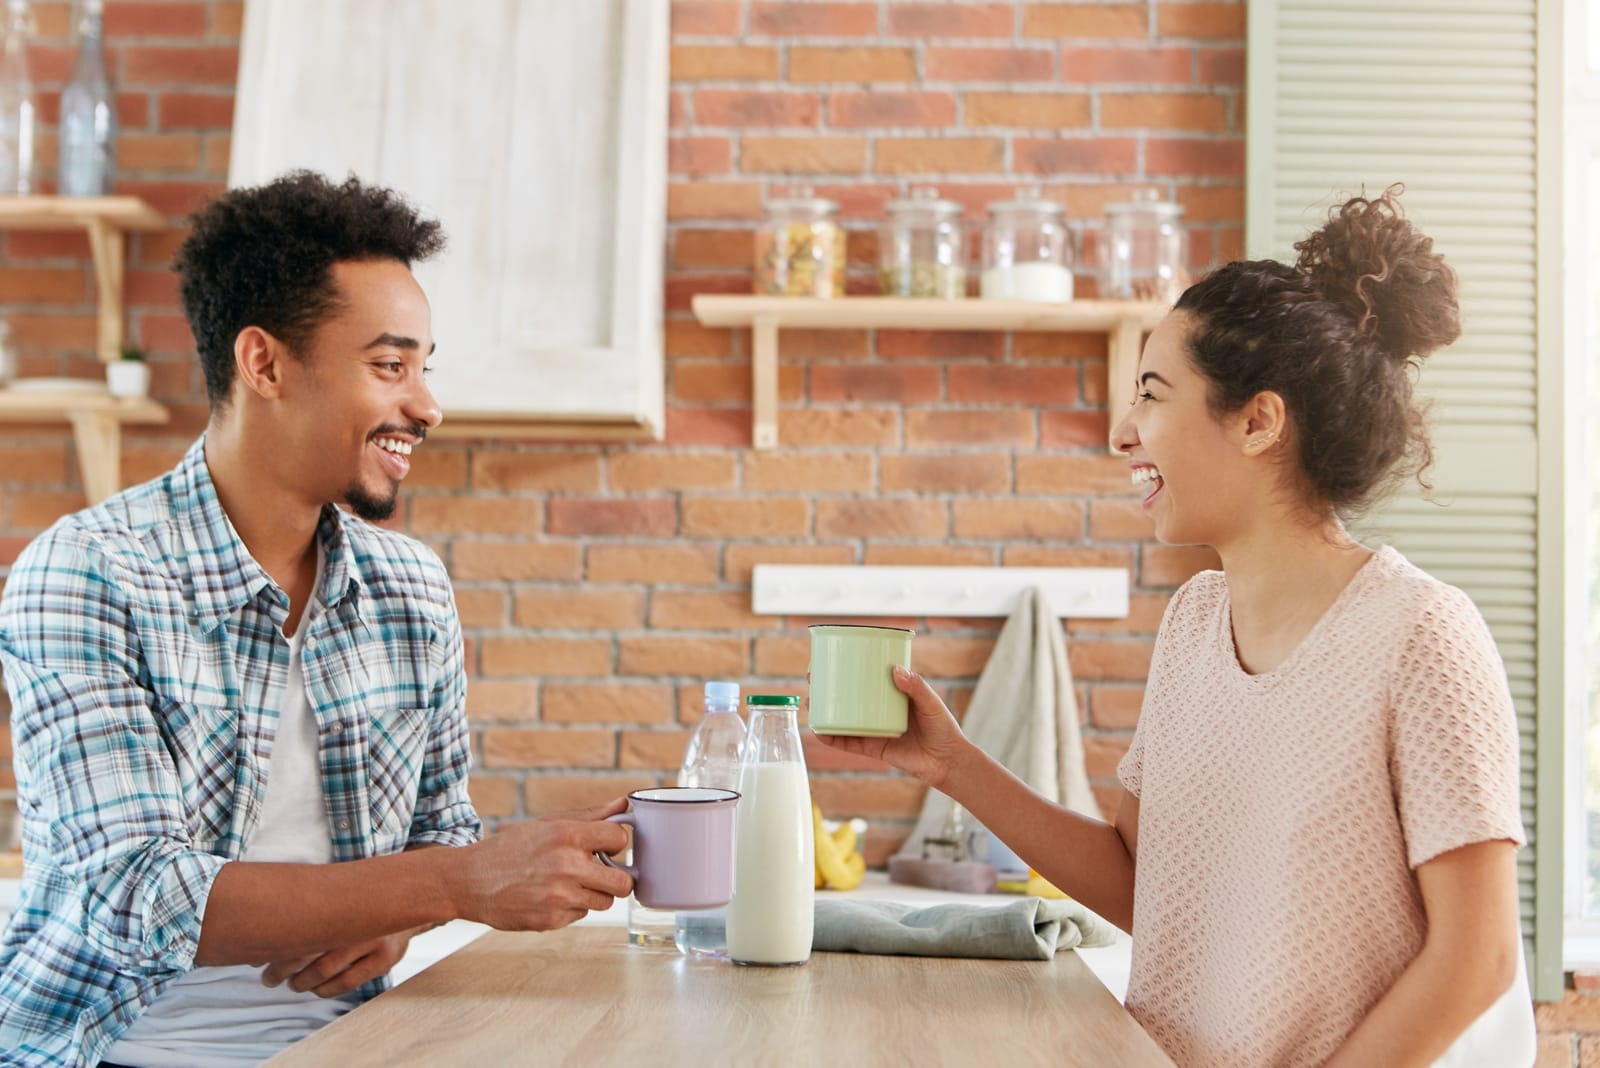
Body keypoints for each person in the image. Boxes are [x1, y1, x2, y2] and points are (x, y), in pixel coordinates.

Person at [818, 189, 1534, 1067]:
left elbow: (1477, 959)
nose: (1124, 433)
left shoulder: (1423, 634)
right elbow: (1142, 883)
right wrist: (954, 766)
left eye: (1152, 395)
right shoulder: (1195, 624)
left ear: (1257, 421)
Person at [0, 171, 633, 1068]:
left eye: (424, 367)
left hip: (355, 1043)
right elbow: (132, 894)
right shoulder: (89, 572)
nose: (426, 404)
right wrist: (459, 883)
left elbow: (437, 830)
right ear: (263, 363)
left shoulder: (409, 589)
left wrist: (411, 908)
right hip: (110, 1052)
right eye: (390, 366)